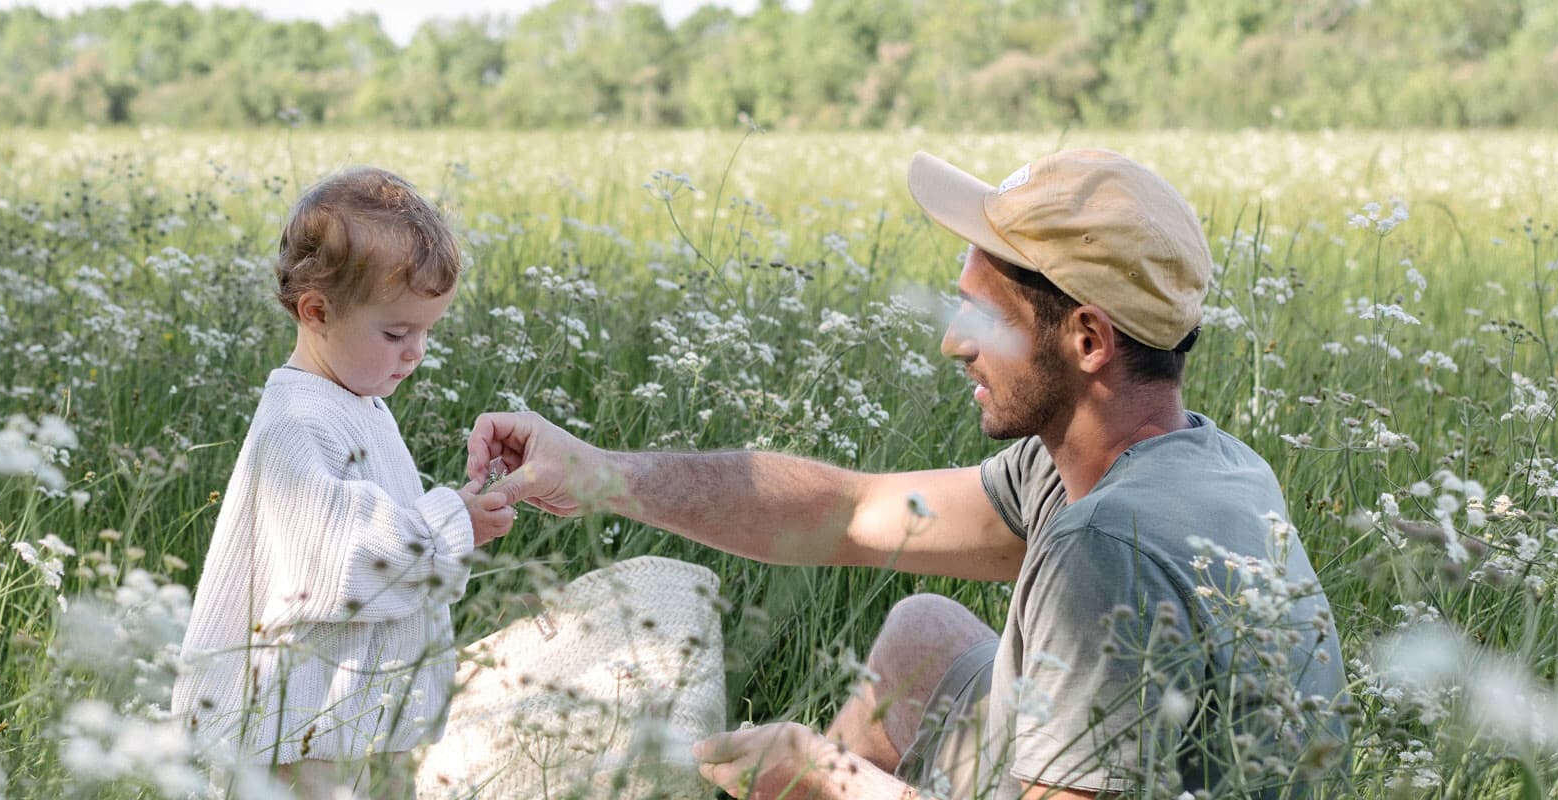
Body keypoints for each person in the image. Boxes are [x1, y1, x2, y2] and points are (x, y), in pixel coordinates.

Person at [467, 149, 1344, 799]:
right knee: (924, 636)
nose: (954, 341)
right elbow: (852, 514)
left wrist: (829, 779)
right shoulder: (1185, 463)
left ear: (1086, 339)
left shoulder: (1105, 544)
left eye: (982, 316)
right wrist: (604, 473)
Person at [171, 166, 520, 799]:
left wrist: (462, 513)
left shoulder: (354, 401)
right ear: (317, 311)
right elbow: (339, 561)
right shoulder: (297, 422)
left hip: (363, 711)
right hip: (305, 723)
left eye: (425, 332)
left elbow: (377, 522)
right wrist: (450, 524)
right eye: (395, 333)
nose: (415, 353)